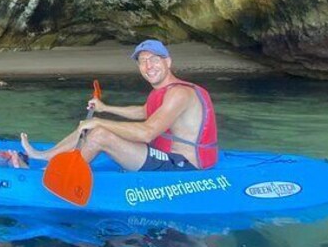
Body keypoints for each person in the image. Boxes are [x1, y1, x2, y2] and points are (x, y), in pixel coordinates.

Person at [20, 39, 218, 171]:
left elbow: (147, 132)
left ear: (167, 61)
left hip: (183, 165)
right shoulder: (162, 92)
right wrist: (105, 109)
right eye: (143, 61)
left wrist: (99, 122)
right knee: (91, 127)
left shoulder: (179, 93)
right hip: (165, 155)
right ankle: (46, 156)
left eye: (154, 59)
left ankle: (53, 174)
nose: (148, 66)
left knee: (98, 134)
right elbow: (143, 111)